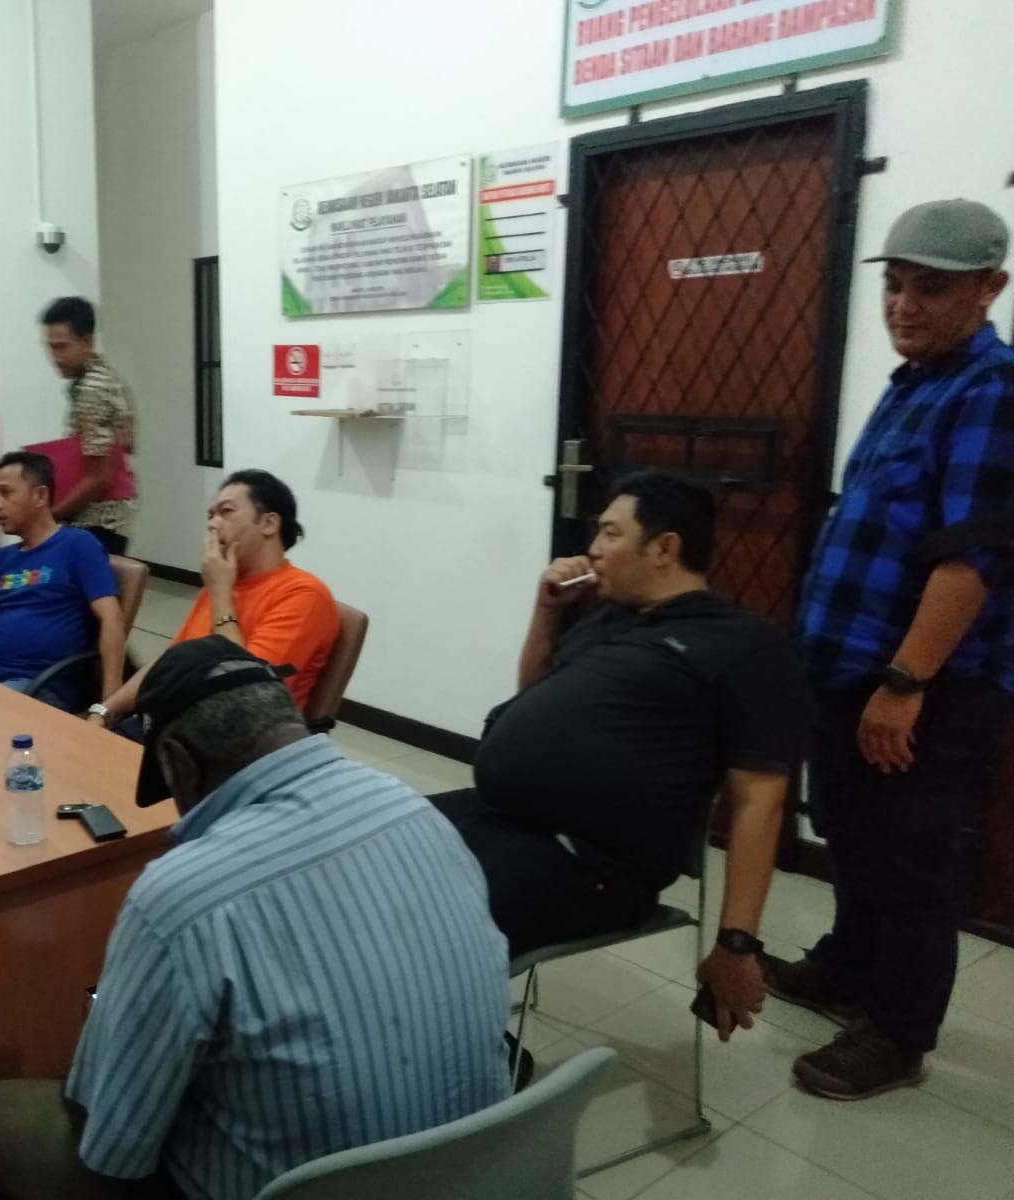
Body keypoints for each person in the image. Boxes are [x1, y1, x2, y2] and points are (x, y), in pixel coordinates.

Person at [0, 637, 513, 1200]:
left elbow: (111, 1146)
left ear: (179, 762)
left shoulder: (184, 896)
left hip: (296, 1189)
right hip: (476, 1172)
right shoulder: (415, 809)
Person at [768, 198, 1014, 1100]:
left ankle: (900, 1035)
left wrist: (905, 683)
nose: (904, 306)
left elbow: (972, 561)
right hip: (848, 667)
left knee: (911, 860)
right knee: (852, 833)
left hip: (922, 685)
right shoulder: (918, 382)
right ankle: (846, 967)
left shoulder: (992, 391)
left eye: (930, 289)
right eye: (896, 285)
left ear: (989, 289)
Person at [430, 470, 806, 1041]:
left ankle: (464, 1057)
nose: (593, 549)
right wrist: (547, 610)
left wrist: (736, 945)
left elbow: (761, 800)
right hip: (499, 816)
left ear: (664, 548)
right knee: (358, 853)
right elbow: (530, 695)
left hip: (589, 866)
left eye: (610, 533)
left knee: (413, 914)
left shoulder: (743, 646)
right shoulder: (608, 617)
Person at [87, 469, 339, 731]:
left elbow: (247, 698)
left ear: (269, 524)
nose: (213, 524)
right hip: (170, 724)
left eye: (226, 512)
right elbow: (169, 662)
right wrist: (105, 710)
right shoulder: (224, 582)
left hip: (233, 739)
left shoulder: (304, 595)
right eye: (211, 515)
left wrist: (220, 593)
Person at [0, 451, 125, 710]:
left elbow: (112, 618)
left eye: (6, 493)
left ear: (40, 496)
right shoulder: (4, 558)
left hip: (43, 684)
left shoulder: (77, 544)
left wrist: (108, 706)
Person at [42, 296, 138, 555]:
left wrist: (50, 517)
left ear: (87, 341)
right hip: (113, 517)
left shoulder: (92, 389)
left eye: (62, 347)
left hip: (98, 521)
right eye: (50, 348)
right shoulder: (104, 374)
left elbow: (99, 478)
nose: (55, 357)